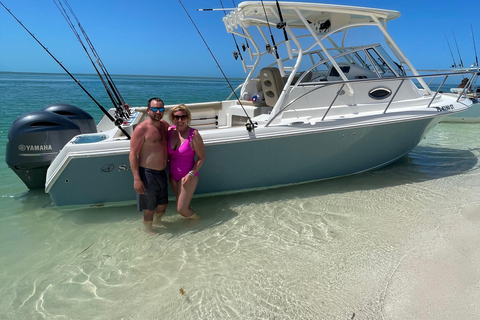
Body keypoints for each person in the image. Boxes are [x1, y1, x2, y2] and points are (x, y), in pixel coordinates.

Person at [129, 97, 169, 233]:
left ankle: (158, 223)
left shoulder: (165, 126)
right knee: (149, 209)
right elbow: (133, 154)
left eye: (161, 109)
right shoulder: (142, 129)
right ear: (148, 110)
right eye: (155, 109)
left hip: (162, 172)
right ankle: (148, 232)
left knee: (163, 205)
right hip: (147, 174)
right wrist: (137, 179)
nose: (158, 111)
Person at [168, 104, 205, 220]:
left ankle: (197, 219)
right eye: (176, 117)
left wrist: (190, 174)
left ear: (187, 118)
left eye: (183, 117)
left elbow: (201, 158)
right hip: (173, 176)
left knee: (181, 209)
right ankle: (190, 222)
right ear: (172, 118)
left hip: (188, 175)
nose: (179, 120)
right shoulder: (169, 131)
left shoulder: (194, 135)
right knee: (184, 204)